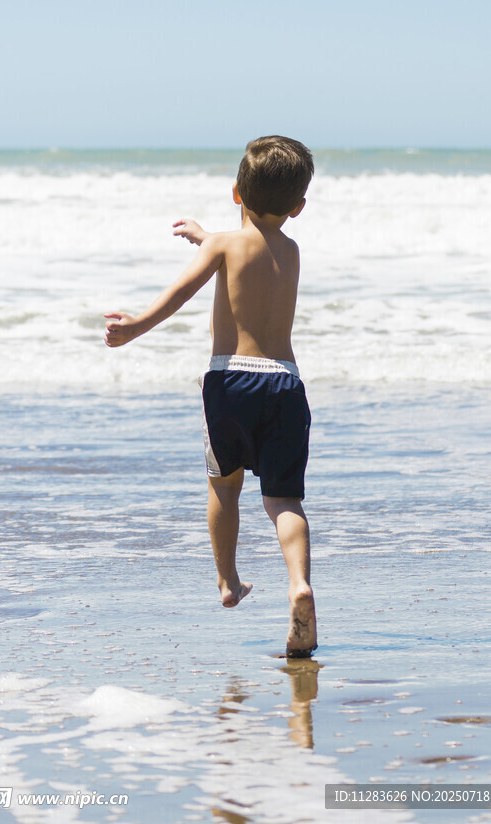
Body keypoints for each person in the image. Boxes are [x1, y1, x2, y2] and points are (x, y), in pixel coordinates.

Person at [104, 136, 317, 657]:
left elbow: (183, 290)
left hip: (231, 381)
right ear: (299, 207)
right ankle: (300, 584)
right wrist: (208, 236)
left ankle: (228, 582)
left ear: (235, 192)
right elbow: (250, 249)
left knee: (225, 486)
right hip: (285, 381)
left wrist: (136, 326)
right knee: (284, 499)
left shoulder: (224, 244)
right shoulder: (290, 251)